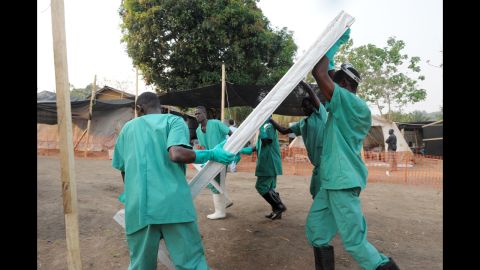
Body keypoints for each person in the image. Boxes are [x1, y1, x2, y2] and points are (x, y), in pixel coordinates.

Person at [306, 29, 400, 270]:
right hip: (331, 182)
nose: (326, 91)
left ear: (344, 84)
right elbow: (324, 75)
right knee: (317, 230)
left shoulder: (354, 105)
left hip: (342, 182)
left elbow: (319, 73)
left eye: (333, 83)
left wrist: (334, 42)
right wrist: (330, 62)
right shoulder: (341, 107)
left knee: (354, 242)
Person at [112, 92, 236, 270]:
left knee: (140, 265)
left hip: (139, 207)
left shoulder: (127, 129)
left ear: (139, 109)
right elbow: (177, 153)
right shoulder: (173, 121)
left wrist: (132, 194)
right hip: (173, 205)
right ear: (160, 107)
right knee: (191, 263)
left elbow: (124, 169)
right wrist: (211, 154)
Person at [270, 80, 328, 199]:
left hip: (327, 163)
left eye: (307, 106)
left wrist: (302, 83)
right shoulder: (302, 124)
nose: (304, 109)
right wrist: (270, 120)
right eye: (303, 107)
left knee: (321, 195)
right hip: (317, 166)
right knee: (316, 193)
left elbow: (312, 94)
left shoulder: (320, 115)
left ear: (313, 105)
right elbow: (283, 130)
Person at [240, 117, 286, 220]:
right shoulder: (264, 126)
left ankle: (279, 206)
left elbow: (266, 141)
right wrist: (240, 150)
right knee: (270, 188)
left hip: (269, 163)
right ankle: (277, 211)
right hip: (269, 163)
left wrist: (259, 126)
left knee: (261, 186)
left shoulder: (267, 125)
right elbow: (256, 147)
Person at [195, 106, 233, 219]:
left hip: (221, 156)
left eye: (199, 113)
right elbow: (204, 146)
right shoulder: (198, 130)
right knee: (216, 182)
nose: (197, 116)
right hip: (211, 159)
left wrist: (229, 149)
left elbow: (230, 133)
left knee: (214, 183)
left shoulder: (216, 123)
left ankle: (220, 211)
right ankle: (224, 203)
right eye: (195, 114)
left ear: (205, 114)